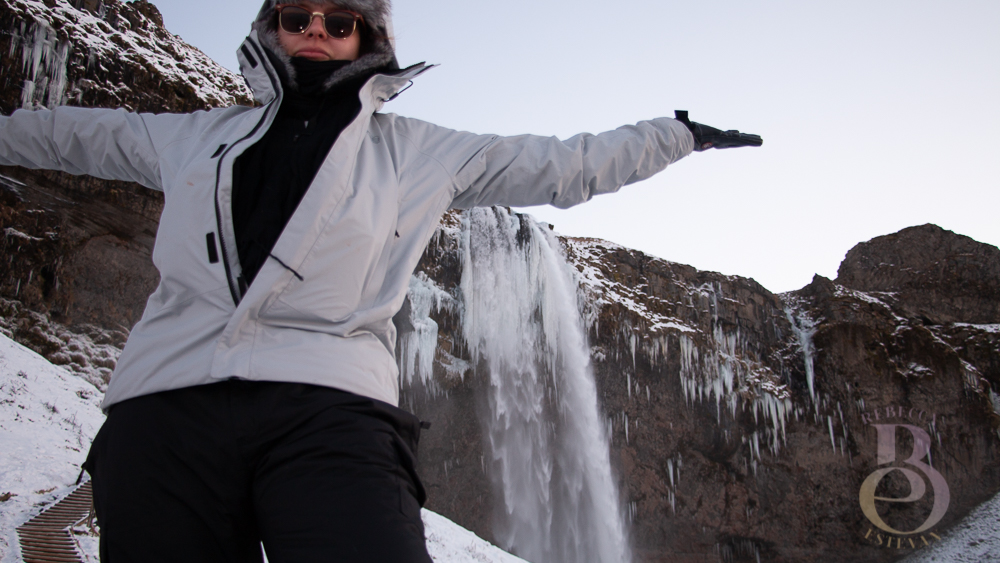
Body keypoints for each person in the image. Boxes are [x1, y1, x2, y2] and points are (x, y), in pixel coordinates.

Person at [0, 1, 761, 561]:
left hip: (328, 405)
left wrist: (674, 135)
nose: (317, 31)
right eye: (297, 17)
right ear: (271, 28)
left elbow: (564, 165)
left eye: (340, 21)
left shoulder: (417, 152)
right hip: (168, 401)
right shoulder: (196, 135)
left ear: (367, 37)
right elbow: (69, 134)